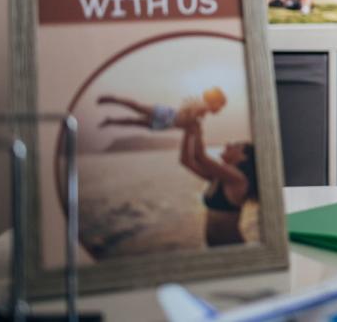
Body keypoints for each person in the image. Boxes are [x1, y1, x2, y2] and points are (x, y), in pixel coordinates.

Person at [179, 119, 257, 247]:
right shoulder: (218, 178)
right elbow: (186, 160)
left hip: (234, 251)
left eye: (236, 146)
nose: (228, 145)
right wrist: (188, 131)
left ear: (243, 158)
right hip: (214, 249)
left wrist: (197, 128)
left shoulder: (237, 180)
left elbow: (199, 157)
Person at [96, 87, 227, 130]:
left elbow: (189, 116)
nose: (220, 109)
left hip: (168, 123)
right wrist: (194, 120)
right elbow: (189, 112)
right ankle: (113, 100)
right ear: (216, 101)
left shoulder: (204, 111)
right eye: (220, 105)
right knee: (138, 108)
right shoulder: (204, 106)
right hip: (169, 116)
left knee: (134, 121)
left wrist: (194, 121)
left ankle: (111, 121)